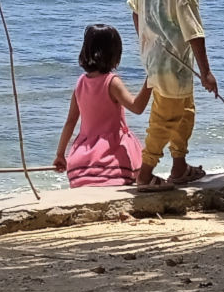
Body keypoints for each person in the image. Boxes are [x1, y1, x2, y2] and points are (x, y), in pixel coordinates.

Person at [128, 0, 217, 190]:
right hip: (174, 69)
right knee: (164, 120)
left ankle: (179, 167)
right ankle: (145, 174)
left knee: (185, 113)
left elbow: (135, 10)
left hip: (158, 62)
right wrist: (207, 72)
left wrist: (147, 41)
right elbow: (195, 34)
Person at [53, 23, 152, 188]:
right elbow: (137, 107)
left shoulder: (80, 83)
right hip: (111, 155)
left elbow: (70, 121)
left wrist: (60, 154)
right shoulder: (111, 82)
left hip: (82, 159)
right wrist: (150, 80)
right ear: (114, 54)